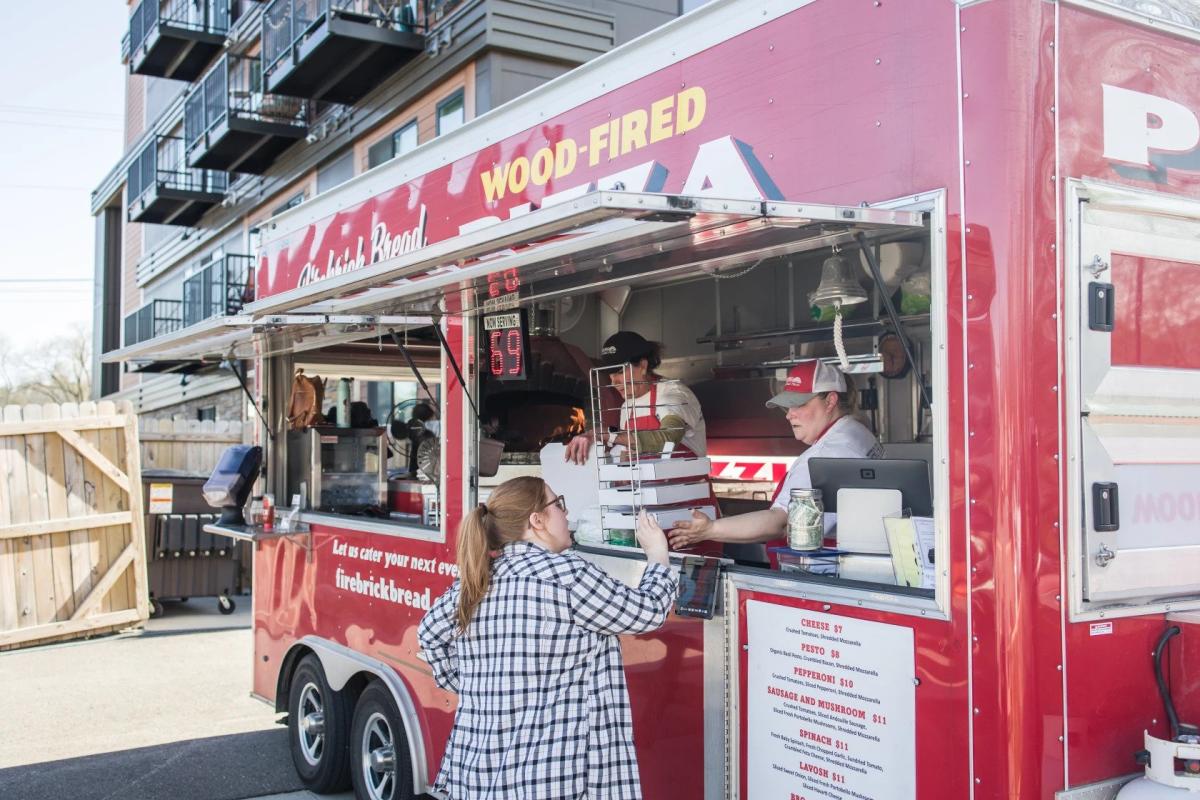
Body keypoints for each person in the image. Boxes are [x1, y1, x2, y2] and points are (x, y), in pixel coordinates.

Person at [417, 476, 677, 800]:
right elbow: (648, 612)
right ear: (536, 520)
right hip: (550, 780)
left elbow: (429, 635)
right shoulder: (566, 575)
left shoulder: (476, 582)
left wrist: (473, 685)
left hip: (477, 777)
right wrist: (658, 554)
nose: (566, 515)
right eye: (559, 505)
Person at [668, 359, 882, 549]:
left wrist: (710, 529)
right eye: (787, 406)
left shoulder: (826, 455)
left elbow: (780, 523)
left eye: (798, 404)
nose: (789, 415)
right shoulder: (858, 430)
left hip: (823, 567)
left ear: (830, 401)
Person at [564, 330, 707, 464]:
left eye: (620, 372)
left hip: (686, 486)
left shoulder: (673, 394)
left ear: (643, 366)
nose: (614, 382)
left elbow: (668, 438)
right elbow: (627, 451)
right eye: (610, 374)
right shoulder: (627, 405)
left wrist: (607, 435)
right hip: (645, 487)